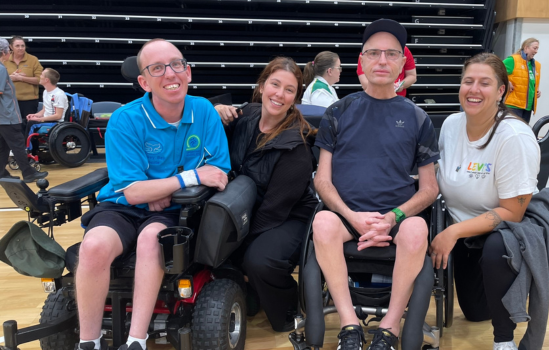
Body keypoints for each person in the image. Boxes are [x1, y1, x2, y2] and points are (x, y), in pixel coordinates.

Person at [74, 39, 231, 350]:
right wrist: (183, 179)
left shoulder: (204, 112)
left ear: (188, 72)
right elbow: (132, 193)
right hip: (121, 208)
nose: (170, 74)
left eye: (176, 65)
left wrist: (161, 189)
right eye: (157, 68)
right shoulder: (125, 119)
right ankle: (88, 342)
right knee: (92, 247)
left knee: (152, 241)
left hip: (172, 210)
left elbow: (218, 174)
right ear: (144, 81)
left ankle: (137, 339)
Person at [311, 19, 439, 350]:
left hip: (394, 219)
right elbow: (322, 180)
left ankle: (389, 327)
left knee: (417, 231)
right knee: (323, 222)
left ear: (401, 63)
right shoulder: (338, 111)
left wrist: (394, 217)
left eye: (391, 54)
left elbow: (429, 189)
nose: (382, 60)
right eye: (374, 53)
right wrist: (351, 216)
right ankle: (349, 325)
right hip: (347, 218)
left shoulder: (417, 117)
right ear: (362, 61)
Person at [432, 52, 541, 350]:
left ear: (501, 91)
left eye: (485, 83)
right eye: (468, 81)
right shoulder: (452, 125)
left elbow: (513, 212)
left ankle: (504, 340)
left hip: (504, 229)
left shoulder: (514, 136)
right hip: (463, 228)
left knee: (496, 249)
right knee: (476, 313)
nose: (474, 90)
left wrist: (452, 232)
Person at [214, 57, 319, 332]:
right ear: (261, 86)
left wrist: (235, 250)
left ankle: (289, 308)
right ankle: (247, 291)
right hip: (245, 207)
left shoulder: (296, 148)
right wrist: (215, 111)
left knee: (258, 260)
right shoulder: (245, 115)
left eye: (289, 90)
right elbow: (211, 140)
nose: (279, 94)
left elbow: (273, 211)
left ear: (295, 98)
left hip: (288, 216)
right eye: (275, 84)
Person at [0, 38, 48, 182]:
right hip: (8, 115)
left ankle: (1, 172)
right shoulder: (1, 68)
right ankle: (28, 173)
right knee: (18, 144)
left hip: (2, 117)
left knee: (3, 146)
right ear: (4, 52)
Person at [2, 36, 43, 129]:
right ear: (11, 47)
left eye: (22, 46)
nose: (20, 48)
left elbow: (40, 80)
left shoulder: (33, 60)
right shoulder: (4, 60)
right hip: (9, 101)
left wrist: (21, 78)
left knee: (29, 128)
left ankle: (31, 144)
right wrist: (11, 77)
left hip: (29, 101)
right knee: (11, 128)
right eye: (17, 46)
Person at [24, 68, 68, 153]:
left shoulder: (59, 94)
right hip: (47, 120)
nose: (39, 76)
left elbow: (58, 116)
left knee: (31, 124)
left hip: (56, 123)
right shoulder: (45, 92)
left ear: (46, 80)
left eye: (41, 75)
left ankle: (27, 151)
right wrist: (35, 115)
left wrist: (39, 119)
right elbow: (44, 110)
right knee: (25, 121)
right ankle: (32, 150)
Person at [503, 38, 541, 123]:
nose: (536, 51)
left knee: (523, 132)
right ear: (526, 48)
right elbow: (494, 71)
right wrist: (506, 82)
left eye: (537, 49)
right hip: (513, 106)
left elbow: (530, 83)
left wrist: (536, 91)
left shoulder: (536, 65)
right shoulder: (513, 60)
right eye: (535, 48)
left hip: (528, 107)